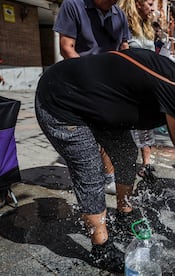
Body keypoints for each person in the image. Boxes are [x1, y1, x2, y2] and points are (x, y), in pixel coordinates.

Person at [34, 48, 175, 272]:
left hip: (93, 104)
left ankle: (125, 212)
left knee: (126, 151)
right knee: (90, 169)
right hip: (58, 100)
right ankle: (101, 247)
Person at [53, 0, 131, 194]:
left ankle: (109, 176)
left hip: (110, 85)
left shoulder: (119, 14)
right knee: (85, 136)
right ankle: (89, 180)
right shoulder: (73, 5)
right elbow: (66, 47)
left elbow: (124, 47)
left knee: (110, 130)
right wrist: (92, 79)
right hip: (80, 83)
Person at [118, 0, 158, 182]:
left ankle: (146, 164)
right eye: (149, 3)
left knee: (146, 124)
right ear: (137, 3)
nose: (152, 7)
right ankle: (124, 166)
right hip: (128, 82)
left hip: (146, 83)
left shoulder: (148, 26)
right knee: (128, 125)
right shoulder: (123, 22)